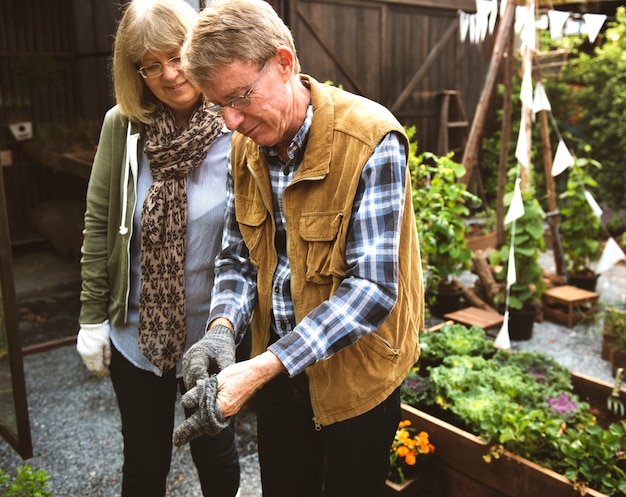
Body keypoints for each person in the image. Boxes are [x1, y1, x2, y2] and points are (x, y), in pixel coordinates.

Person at [172, 0, 424, 495]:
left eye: (239, 97)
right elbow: (238, 256)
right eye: (217, 104)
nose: (230, 121)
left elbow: (372, 289)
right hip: (281, 379)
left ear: (284, 62)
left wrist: (261, 366)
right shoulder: (246, 146)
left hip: (358, 381)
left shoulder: (371, 138)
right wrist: (223, 329)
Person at [75, 1, 241, 496]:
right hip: (135, 330)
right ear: (136, 72)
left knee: (216, 449)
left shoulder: (237, 123)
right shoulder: (122, 127)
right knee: (144, 456)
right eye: (152, 64)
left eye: (178, 55)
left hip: (210, 332)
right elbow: (99, 223)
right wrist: (90, 317)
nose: (170, 74)